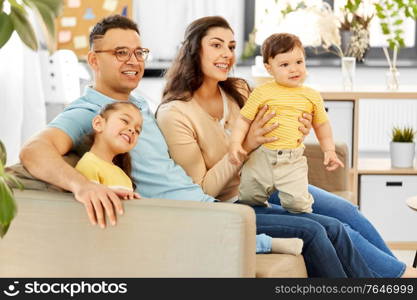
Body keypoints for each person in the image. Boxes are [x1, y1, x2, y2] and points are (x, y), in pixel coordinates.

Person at [18, 15, 302, 259]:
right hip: (187, 216)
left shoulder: (137, 102)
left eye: (138, 52)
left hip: (206, 206)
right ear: (94, 59)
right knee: (315, 232)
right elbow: (34, 150)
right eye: (120, 53)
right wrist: (83, 187)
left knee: (322, 228)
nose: (133, 61)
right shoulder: (89, 110)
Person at [156, 15, 417, 278]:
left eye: (232, 47)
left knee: (346, 210)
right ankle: (402, 279)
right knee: (336, 227)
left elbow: (275, 136)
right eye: (216, 45)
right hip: (231, 201)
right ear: (192, 49)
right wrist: (245, 145)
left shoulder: (238, 90)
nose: (227, 54)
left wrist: (297, 132)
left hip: (271, 179)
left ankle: (400, 273)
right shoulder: (175, 114)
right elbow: (203, 192)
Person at [229, 33, 344, 213]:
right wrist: (236, 144)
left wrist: (329, 150)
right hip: (261, 157)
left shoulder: (312, 95)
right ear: (269, 68)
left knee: (298, 204)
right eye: (284, 65)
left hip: (292, 160)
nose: (294, 69)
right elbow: (244, 120)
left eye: (299, 62)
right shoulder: (261, 92)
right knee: (249, 198)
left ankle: (304, 216)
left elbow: (322, 125)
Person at [75, 102, 142, 195]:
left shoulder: (123, 175)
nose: (132, 130)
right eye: (125, 121)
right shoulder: (89, 165)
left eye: (137, 130)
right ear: (98, 123)